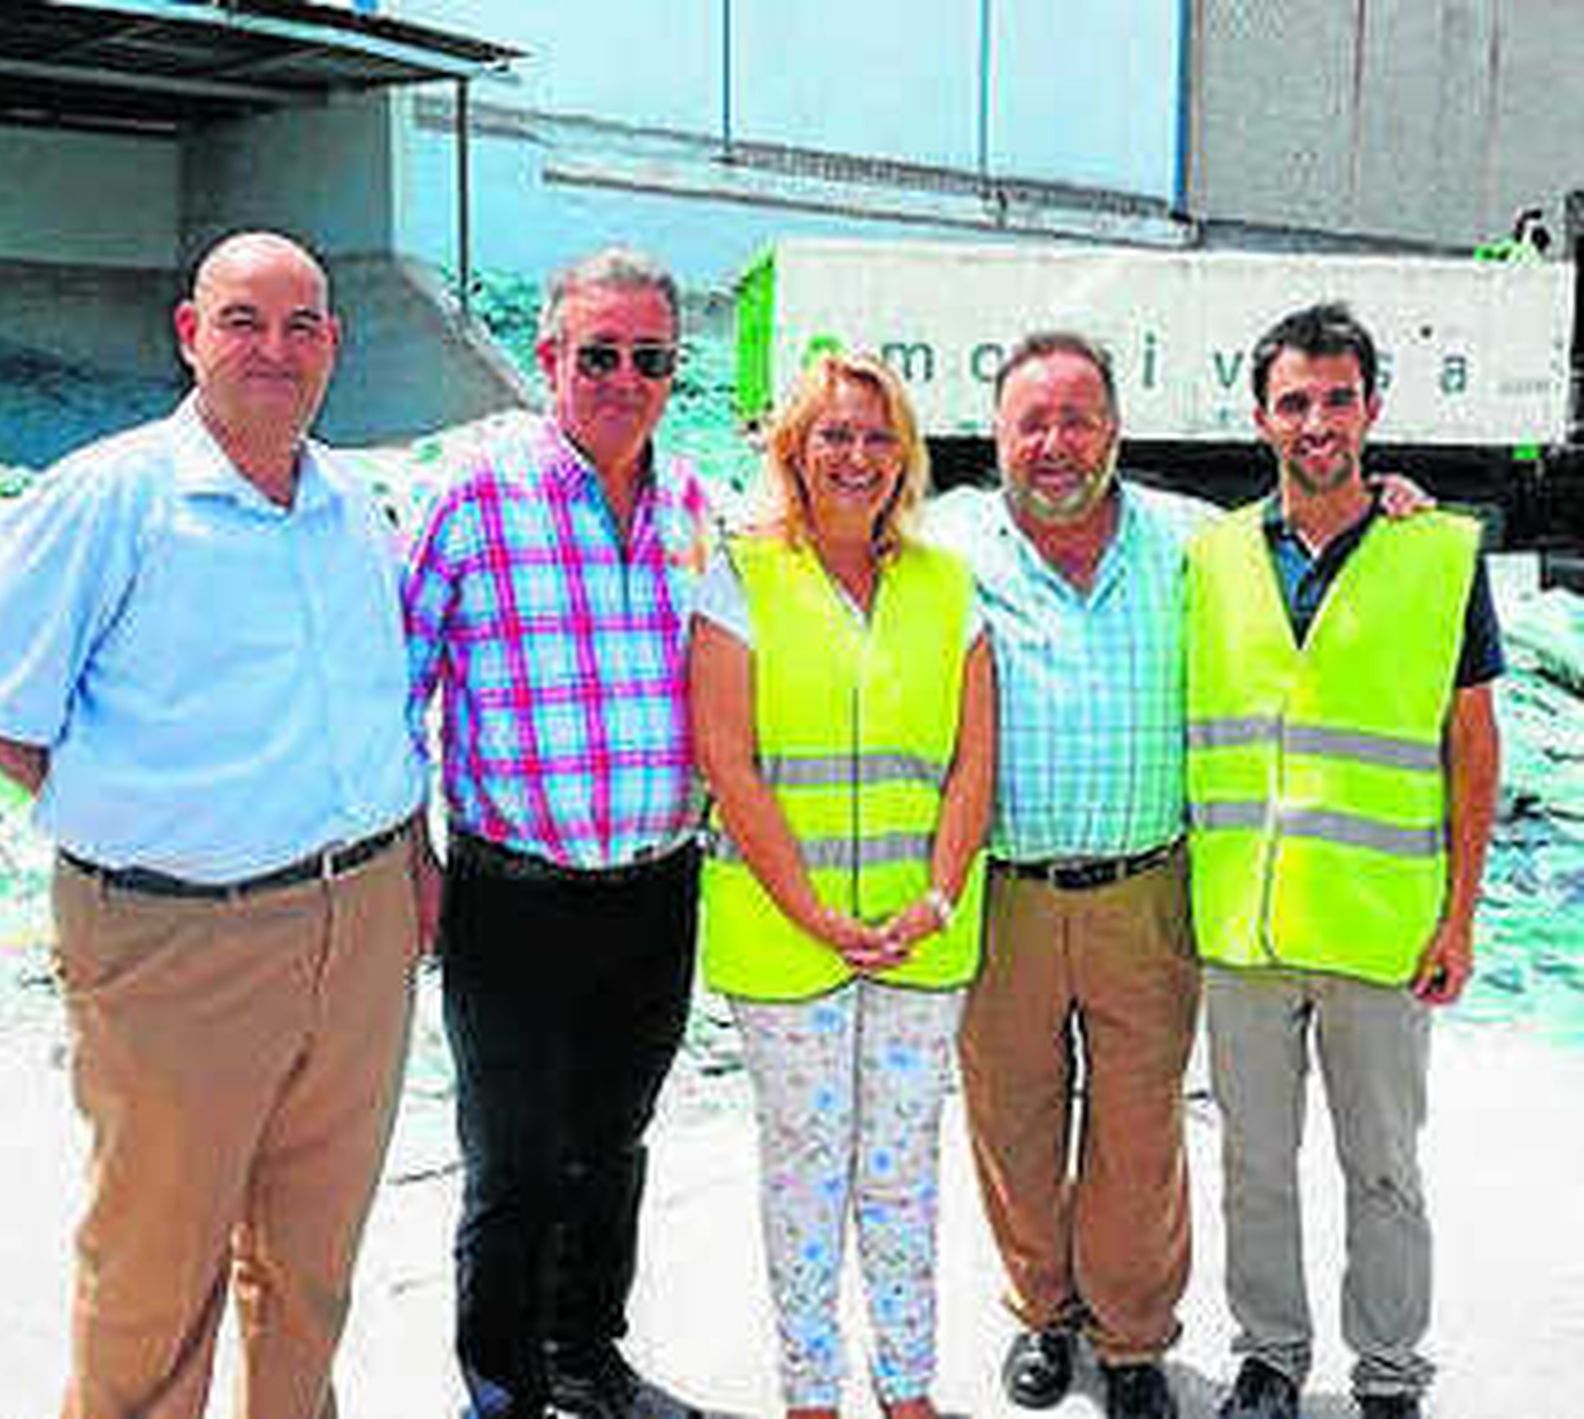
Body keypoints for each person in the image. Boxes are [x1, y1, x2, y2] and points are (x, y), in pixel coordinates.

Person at [0, 230, 434, 1419]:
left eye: (301, 327)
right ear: (190, 334)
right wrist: (149, 815)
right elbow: (2, 705)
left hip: (362, 921)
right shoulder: (110, 498)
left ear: (334, 345)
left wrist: (411, 869)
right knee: (153, 1271)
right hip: (178, 945)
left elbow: (380, 704)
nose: (274, 351)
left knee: (313, 1256)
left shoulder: (351, 505)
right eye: (244, 321)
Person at [403, 247, 709, 1419]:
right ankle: (504, 1386)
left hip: (653, 887)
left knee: (612, 1144)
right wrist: (414, 858)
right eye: (599, 354)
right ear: (547, 357)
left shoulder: (690, 505)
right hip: (513, 897)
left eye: (650, 359)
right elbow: (398, 688)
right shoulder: (472, 499)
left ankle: (588, 1357)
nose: (623, 378)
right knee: (515, 1161)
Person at [1189, 303, 1502, 1419]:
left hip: (1379, 927)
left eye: (1336, 398)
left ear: (1372, 406)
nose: (1315, 422)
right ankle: (1269, 1358)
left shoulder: (1436, 554)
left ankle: (1388, 1374)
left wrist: (1458, 918)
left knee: (1383, 1172)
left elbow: (1472, 748)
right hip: (1246, 929)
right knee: (1253, 1170)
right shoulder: (1211, 559)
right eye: (1293, 402)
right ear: (1260, 416)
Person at [691, 352, 995, 1419]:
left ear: (903, 455)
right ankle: (809, 1390)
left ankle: (906, 1386)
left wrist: (938, 897)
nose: (855, 457)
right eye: (834, 435)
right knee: (806, 1172)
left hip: (920, 939)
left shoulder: (947, 585)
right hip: (786, 942)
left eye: (876, 437)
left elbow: (971, 765)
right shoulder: (741, 573)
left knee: (901, 1167)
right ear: (794, 450)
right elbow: (727, 759)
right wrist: (812, 911)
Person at [925, 333, 1205, 1419]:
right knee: (1013, 1119)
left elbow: (1311, 543)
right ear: (995, 434)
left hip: (1144, 891)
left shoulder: (1191, 543)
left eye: (1076, 419)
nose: (1054, 445)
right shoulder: (945, 542)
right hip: (1002, 895)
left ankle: (1132, 1339)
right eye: (1031, 422)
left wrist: (1394, 499)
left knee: (1140, 1133)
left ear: (1115, 430)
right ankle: (1045, 1315)